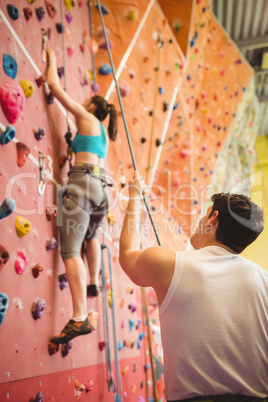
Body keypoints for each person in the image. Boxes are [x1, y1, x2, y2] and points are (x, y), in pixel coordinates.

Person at [119, 171, 268, 402]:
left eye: (205, 214)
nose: (200, 220)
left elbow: (127, 256)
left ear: (213, 218)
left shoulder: (168, 263)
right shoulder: (265, 281)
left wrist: (135, 196)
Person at [46, 48, 117, 344]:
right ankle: (93, 282)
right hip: (102, 190)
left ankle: (79, 316)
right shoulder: (104, 135)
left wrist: (51, 58)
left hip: (82, 185)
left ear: (91, 106)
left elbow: (55, 87)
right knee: (91, 236)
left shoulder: (86, 117)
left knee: (70, 251)